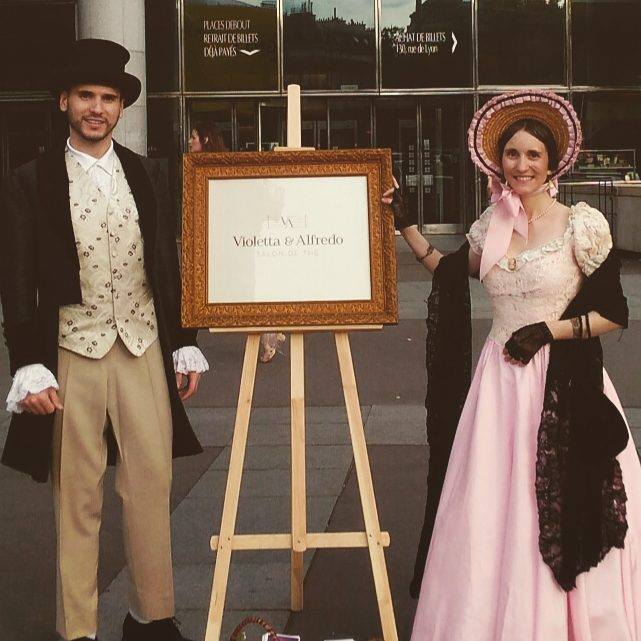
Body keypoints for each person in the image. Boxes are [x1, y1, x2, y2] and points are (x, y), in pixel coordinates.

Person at [384, 90, 641, 641]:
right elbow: (449, 271)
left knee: (555, 506)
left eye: (533, 155)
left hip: (564, 385)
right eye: (512, 154)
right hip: (498, 388)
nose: (521, 165)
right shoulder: (492, 225)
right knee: (491, 512)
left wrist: (549, 330)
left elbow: (614, 313)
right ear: (497, 161)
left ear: (553, 162)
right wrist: (406, 226)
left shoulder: (580, 224)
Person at [0, 39, 209, 641]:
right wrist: (28, 364)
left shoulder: (146, 171)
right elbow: (17, 278)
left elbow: (165, 262)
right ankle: (78, 630)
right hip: (73, 350)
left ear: (121, 108)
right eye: (86, 96)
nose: (97, 108)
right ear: (64, 102)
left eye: (109, 98)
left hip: (141, 346)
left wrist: (183, 341)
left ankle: (151, 618)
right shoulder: (30, 180)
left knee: (150, 486)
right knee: (77, 498)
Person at [188, 121, 286, 363]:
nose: (189, 141)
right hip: (228, 235)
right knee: (239, 285)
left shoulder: (217, 167)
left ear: (205, 140)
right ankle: (268, 327)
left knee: (244, 287)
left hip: (233, 236)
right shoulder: (205, 166)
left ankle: (267, 332)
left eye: (194, 137)